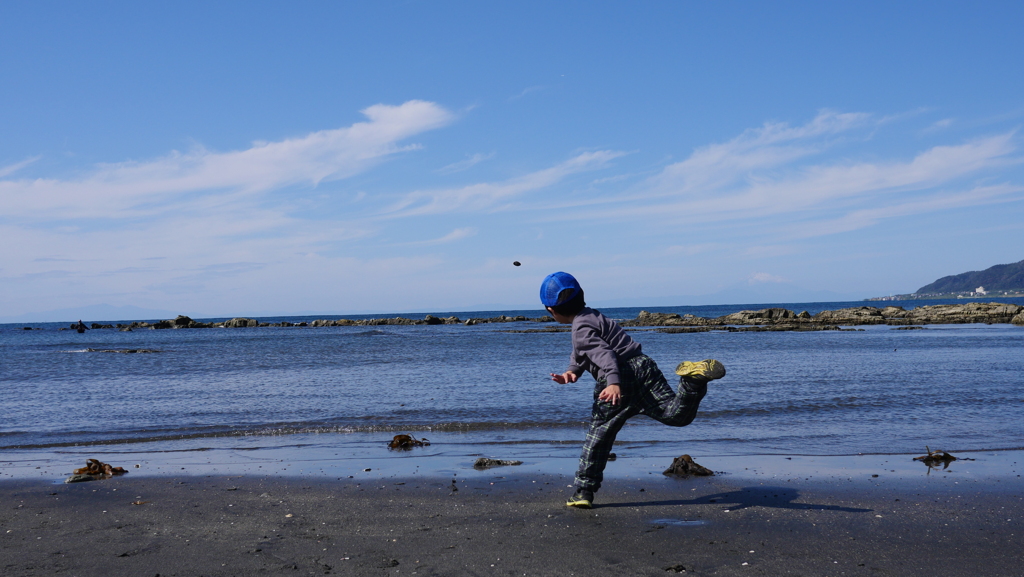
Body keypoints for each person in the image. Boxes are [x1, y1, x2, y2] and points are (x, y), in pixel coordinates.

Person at [541, 271, 725, 509]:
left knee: (599, 436)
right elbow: (584, 352)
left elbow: (605, 355)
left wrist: (613, 382)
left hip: (619, 377)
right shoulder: (592, 316)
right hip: (643, 365)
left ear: (550, 310)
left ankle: (583, 491)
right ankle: (693, 383)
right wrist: (572, 372)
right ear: (581, 296)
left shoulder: (579, 328)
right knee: (675, 415)